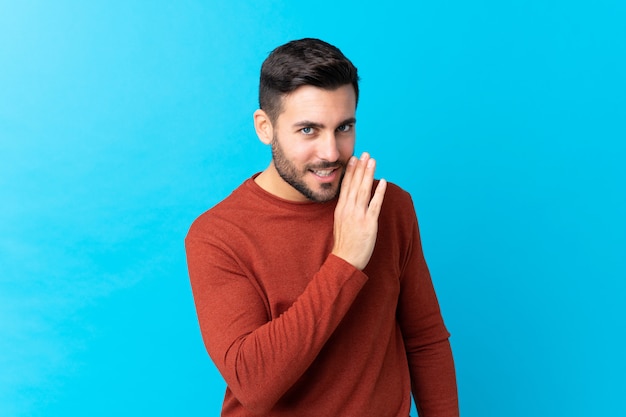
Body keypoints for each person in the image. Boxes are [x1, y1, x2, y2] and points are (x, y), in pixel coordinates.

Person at [185, 38, 459, 417]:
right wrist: (345, 260)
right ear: (265, 128)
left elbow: (425, 339)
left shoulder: (388, 206)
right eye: (309, 130)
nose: (331, 152)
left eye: (343, 127)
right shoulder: (217, 235)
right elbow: (254, 382)